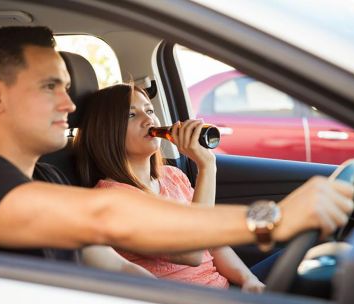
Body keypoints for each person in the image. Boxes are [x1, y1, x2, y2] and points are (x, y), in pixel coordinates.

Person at [0, 26, 354, 284]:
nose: (69, 104)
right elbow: (108, 214)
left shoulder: (47, 177)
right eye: (50, 87)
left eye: (67, 88)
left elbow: (107, 258)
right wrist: (270, 219)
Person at [75, 83, 269, 292]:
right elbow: (192, 252)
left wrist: (248, 279)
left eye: (149, 110)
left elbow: (213, 240)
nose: (148, 119)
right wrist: (207, 167)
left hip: (226, 290)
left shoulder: (173, 177)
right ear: (107, 131)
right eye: (131, 115)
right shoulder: (112, 199)